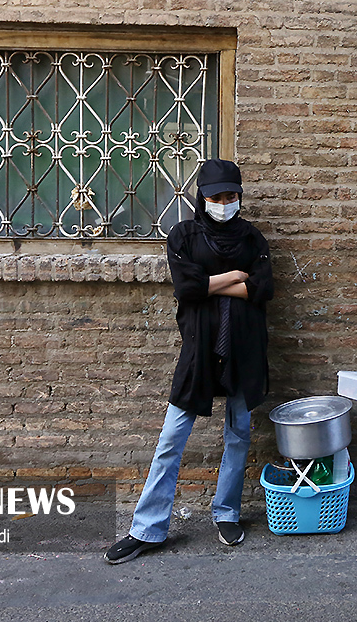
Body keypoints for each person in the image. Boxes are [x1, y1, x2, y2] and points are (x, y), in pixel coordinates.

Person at [104, 159, 273, 564]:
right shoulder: (184, 235)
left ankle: (227, 512)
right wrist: (236, 276)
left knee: (239, 434)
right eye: (217, 197)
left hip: (244, 350)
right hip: (199, 351)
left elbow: (263, 289)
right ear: (202, 196)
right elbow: (186, 288)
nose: (224, 203)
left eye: (231, 196)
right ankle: (147, 528)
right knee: (171, 440)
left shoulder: (252, 237)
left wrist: (211, 283)